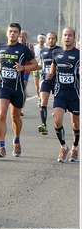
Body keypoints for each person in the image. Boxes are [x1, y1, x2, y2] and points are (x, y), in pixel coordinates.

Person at [0, 23, 39, 158]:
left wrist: (23, 68)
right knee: (1, 114)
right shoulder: (0, 47)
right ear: (7, 33)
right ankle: (1, 147)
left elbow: (36, 65)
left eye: (15, 32)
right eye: (10, 31)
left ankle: (17, 141)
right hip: (3, 86)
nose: (12, 34)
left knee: (15, 117)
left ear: (19, 35)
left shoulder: (23, 49)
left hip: (17, 88)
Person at [45, 27, 80, 163]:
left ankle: (75, 147)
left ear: (73, 37)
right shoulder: (56, 52)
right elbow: (54, 66)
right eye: (65, 35)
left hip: (74, 93)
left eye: (70, 35)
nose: (67, 37)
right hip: (60, 92)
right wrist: (51, 74)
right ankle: (64, 147)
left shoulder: (78, 54)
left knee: (76, 123)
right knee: (57, 120)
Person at [37, 32, 61, 135]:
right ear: (46, 40)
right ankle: (44, 125)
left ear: (56, 40)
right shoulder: (43, 51)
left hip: (57, 81)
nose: (51, 40)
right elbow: (41, 64)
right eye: (49, 38)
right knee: (43, 102)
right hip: (45, 81)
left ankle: (58, 121)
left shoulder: (60, 51)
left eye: (53, 39)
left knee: (57, 105)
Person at [17, 30, 35, 116]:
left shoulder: (29, 46)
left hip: (26, 69)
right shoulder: (14, 45)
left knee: (23, 86)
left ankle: (21, 107)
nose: (21, 38)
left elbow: (33, 57)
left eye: (23, 36)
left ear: (26, 37)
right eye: (20, 36)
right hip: (16, 69)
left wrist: (30, 52)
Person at [33, 33, 46, 107]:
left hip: (43, 69)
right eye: (40, 38)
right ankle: (39, 97)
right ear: (38, 39)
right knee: (37, 85)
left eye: (42, 38)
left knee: (41, 84)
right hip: (35, 68)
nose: (41, 40)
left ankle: (41, 98)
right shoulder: (35, 48)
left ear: (45, 39)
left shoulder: (46, 48)